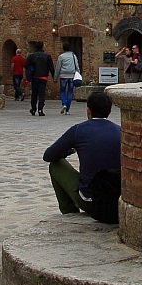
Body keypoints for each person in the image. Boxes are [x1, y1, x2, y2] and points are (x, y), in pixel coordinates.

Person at [42, 90, 122, 222]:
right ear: (109, 111)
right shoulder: (120, 131)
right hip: (115, 199)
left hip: (90, 200)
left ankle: (69, 212)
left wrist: (70, 150)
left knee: (56, 165)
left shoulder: (79, 130)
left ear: (88, 111)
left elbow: (49, 155)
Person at [26, 42, 54, 116]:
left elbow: (25, 65)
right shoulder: (47, 56)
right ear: (42, 47)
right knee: (42, 94)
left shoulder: (31, 56)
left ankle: (33, 109)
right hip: (43, 77)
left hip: (34, 77)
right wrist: (54, 77)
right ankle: (40, 109)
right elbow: (51, 67)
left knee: (34, 94)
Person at [56, 43, 80, 115]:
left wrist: (55, 77)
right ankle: (67, 110)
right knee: (70, 92)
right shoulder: (73, 56)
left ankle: (64, 104)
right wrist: (78, 74)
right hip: (72, 76)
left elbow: (58, 67)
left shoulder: (61, 57)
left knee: (62, 91)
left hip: (63, 76)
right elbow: (77, 66)